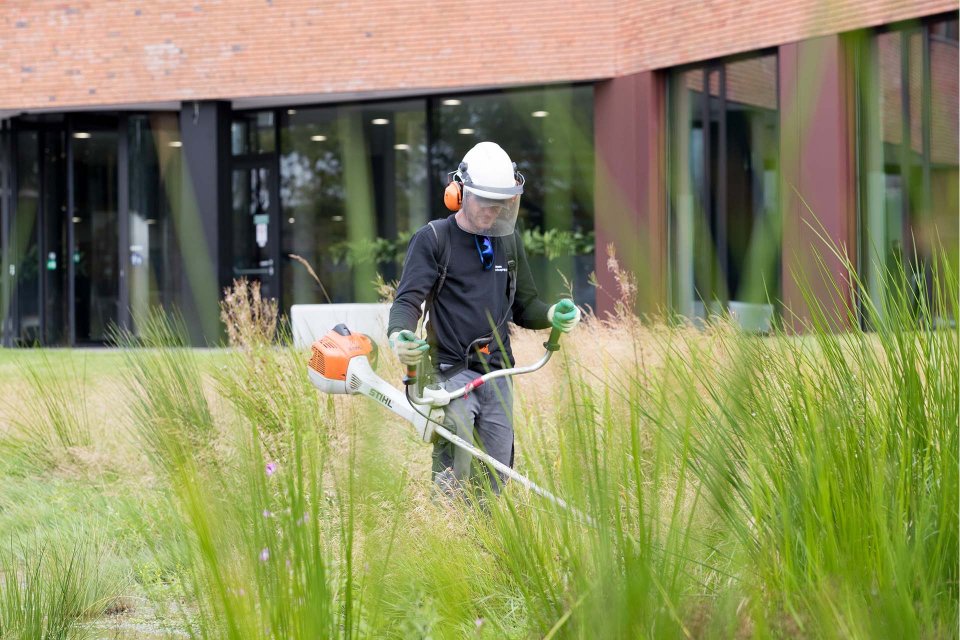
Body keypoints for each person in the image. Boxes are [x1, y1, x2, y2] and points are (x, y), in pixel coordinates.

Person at [387, 141, 581, 497]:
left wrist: (552, 314)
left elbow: (526, 306)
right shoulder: (433, 239)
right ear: (458, 193)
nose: (493, 210)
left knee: (496, 478)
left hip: (498, 372)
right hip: (451, 373)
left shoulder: (508, 241)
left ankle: (487, 545)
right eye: (484, 201)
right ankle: (448, 538)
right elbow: (407, 301)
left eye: (501, 202)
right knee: (454, 476)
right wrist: (400, 335)